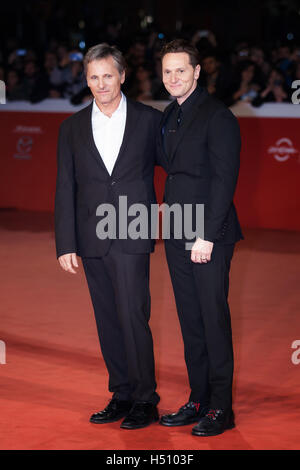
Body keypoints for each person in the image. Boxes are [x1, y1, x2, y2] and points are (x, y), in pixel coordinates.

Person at [55, 43, 162, 430]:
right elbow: (64, 187)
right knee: (107, 319)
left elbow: (180, 167)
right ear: (87, 80)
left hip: (133, 230)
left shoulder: (150, 121)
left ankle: (146, 399)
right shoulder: (71, 128)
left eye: (107, 75)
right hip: (91, 236)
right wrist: (65, 243)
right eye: (93, 77)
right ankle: (122, 393)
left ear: (122, 76)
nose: (101, 84)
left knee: (133, 315)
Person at [157, 39, 243, 436]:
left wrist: (205, 236)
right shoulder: (168, 116)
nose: (173, 77)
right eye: (167, 71)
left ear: (196, 72)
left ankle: (221, 408)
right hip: (176, 230)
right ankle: (198, 399)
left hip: (207, 234)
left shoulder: (217, 116)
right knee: (190, 320)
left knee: (213, 319)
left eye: (180, 70)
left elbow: (225, 180)